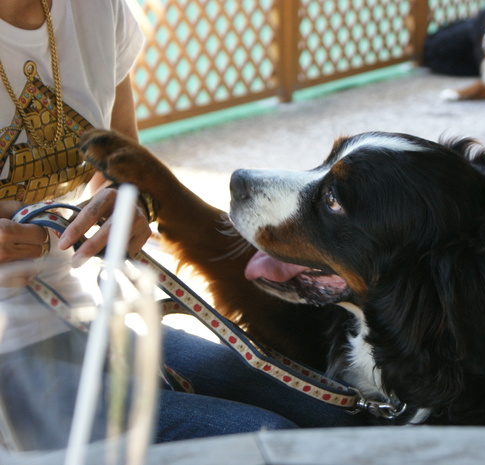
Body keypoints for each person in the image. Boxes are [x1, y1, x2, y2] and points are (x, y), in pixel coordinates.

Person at [0, 0, 365, 451]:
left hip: (79, 315)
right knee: (270, 445)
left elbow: (118, 164)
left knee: (335, 421)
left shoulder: (98, 10)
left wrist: (130, 205)